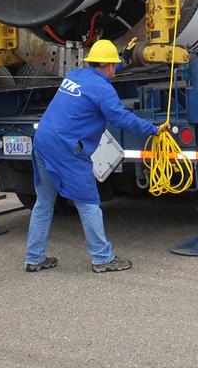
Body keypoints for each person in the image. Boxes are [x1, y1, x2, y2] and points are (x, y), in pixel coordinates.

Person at [25, 39, 165, 274]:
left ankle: (33, 257)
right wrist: (153, 129)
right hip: (66, 148)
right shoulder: (103, 90)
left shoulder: (76, 75)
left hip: (43, 141)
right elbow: (121, 118)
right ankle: (102, 258)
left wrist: (126, 59)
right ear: (109, 66)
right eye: (113, 65)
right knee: (88, 202)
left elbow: (104, 72)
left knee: (44, 202)